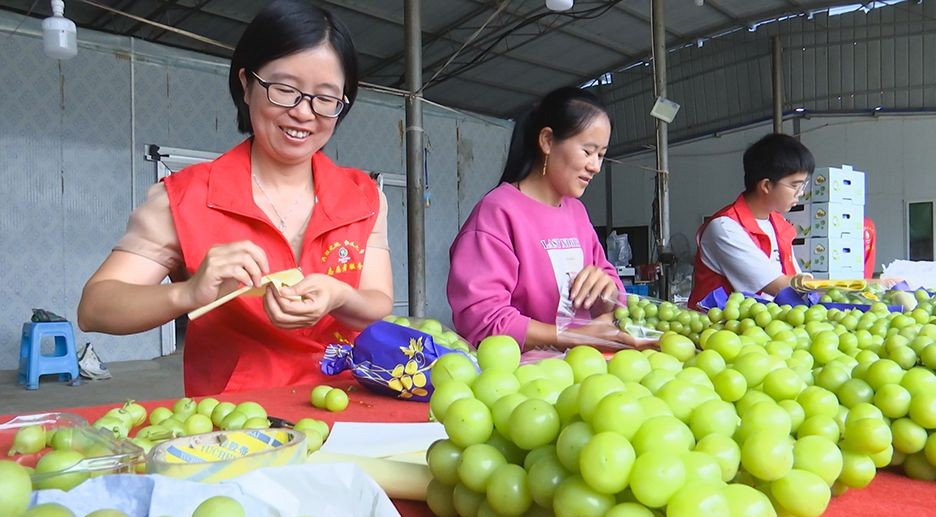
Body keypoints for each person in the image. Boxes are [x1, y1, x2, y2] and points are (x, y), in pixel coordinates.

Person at [78, 0, 393, 396]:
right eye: (285, 89)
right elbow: (95, 309)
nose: (303, 112)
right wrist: (187, 293)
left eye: (325, 98)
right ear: (246, 84)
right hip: (233, 425)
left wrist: (339, 296)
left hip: (350, 407)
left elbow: (377, 302)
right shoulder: (181, 199)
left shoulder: (365, 197)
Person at [447, 87, 632, 350]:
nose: (596, 166)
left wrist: (606, 292)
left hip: (584, 371)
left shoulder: (576, 212)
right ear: (547, 140)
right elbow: (483, 321)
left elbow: (612, 290)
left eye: (601, 154)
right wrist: (575, 335)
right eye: (588, 151)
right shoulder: (498, 212)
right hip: (521, 380)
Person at [688, 134, 814, 309]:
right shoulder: (725, 228)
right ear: (766, 186)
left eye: (803, 185)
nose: (800, 193)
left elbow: (796, 280)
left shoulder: (778, 224)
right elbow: (778, 286)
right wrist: (838, 287)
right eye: (795, 185)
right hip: (720, 331)